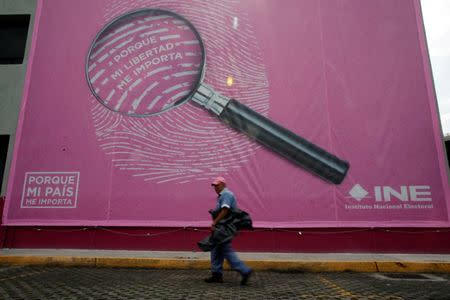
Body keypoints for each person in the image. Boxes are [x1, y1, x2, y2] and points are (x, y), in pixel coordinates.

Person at [204, 176, 253, 285]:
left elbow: (225, 210)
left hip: (224, 228)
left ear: (223, 185)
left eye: (217, 185)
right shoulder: (222, 195)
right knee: (216, 249)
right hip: (222, 227)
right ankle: (216, 275)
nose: (215, 187)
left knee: (226, 250)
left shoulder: (226, 194)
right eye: (214, 186)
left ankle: (245, 271)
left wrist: (215, 222)